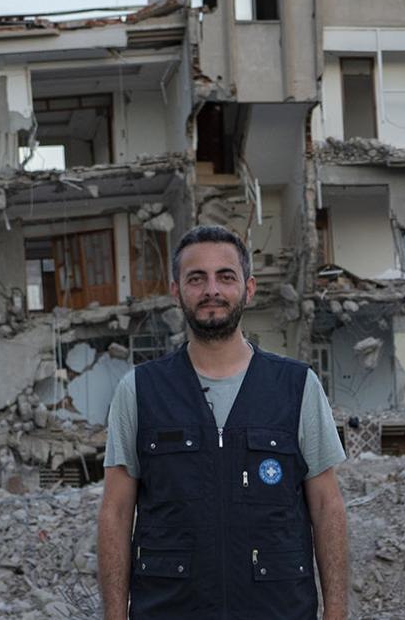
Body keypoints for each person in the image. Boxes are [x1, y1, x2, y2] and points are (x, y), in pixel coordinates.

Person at [97, 225, 349, 620]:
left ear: (248, 289)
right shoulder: (140, 391)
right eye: (196, 278)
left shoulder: (297, 386)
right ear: (176, 291)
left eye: (225, 277)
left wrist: (336, 612)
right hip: (170, 609)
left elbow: (326, 504)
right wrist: (114, 615)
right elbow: (115, 511)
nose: (211, 289)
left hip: (277, 608)